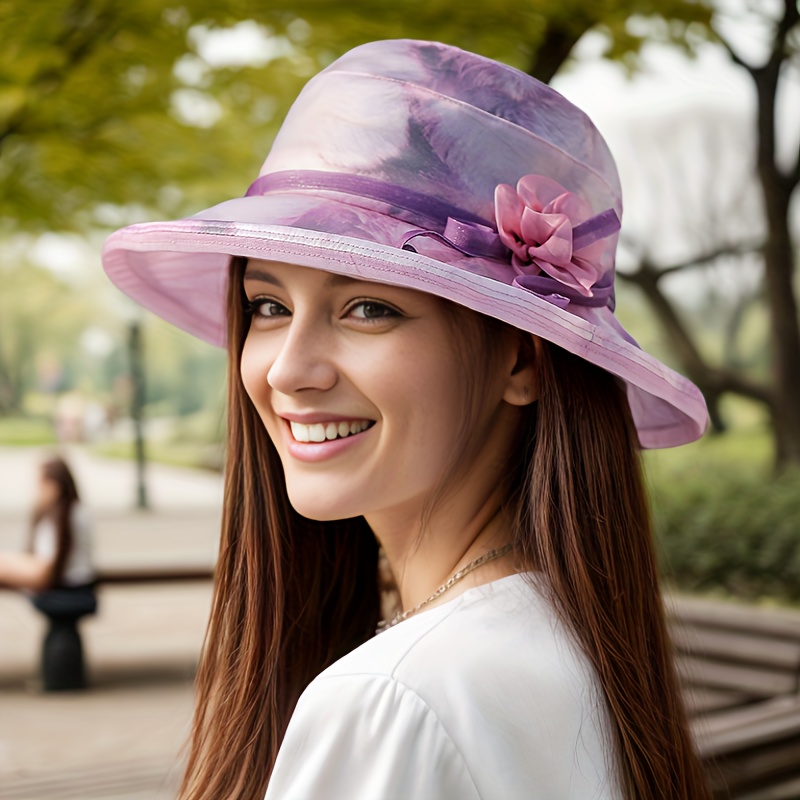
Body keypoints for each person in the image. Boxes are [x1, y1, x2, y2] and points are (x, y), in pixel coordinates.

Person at [102, 39, 712, 799]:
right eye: (269, 306)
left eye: (368, 308)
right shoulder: (572, 645)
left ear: (522, 362)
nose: (289, 369)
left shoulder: (395, 701)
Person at [0, 455, 94, 593]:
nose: (36, 491)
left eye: (39, 484)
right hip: (77, 582)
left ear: (53, 486)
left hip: (61, 584)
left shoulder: (59, 518)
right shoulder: (78, 511)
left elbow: (45, 569)